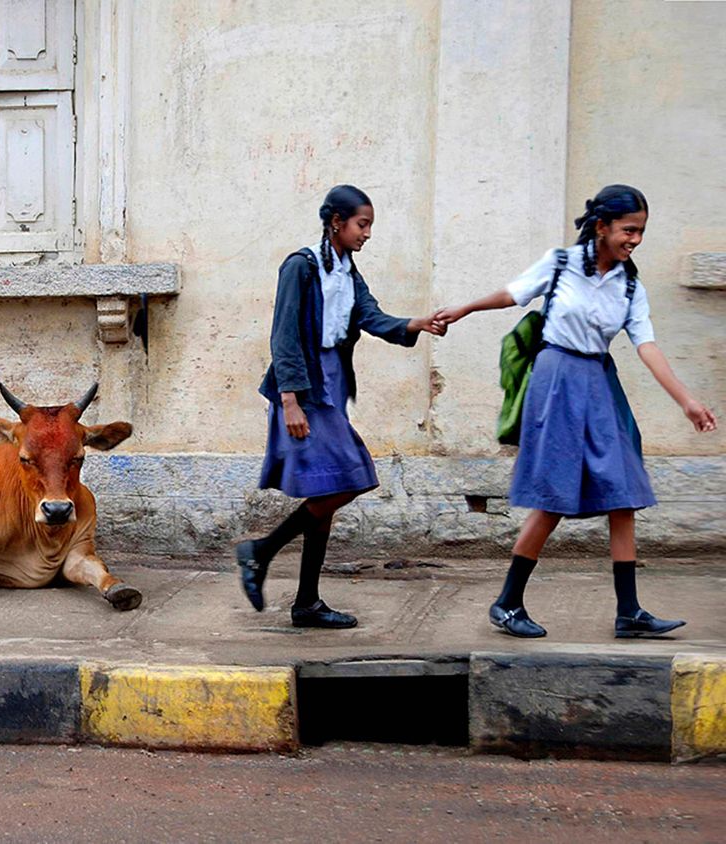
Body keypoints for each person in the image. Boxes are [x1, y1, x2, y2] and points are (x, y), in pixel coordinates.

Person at [436, 184, 717, 638]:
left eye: (641, 232)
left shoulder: (629, 286)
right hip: (556, 378)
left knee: (622, 492)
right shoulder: (562, 263)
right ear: (602, 226)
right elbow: (514, 293)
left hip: (599, 384)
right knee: (554, 494)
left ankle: (629, 612)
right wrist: (464, 308)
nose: (636, 240)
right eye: (629, 230)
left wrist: (686, 400)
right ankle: (507, 603)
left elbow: (646, 346)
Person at [237, 184, 447, 627]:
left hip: (330, 384)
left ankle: (306, 601)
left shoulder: (347, 271)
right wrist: (290, 400)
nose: (367, 234)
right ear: (337, 222)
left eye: (369, 225)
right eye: (362, 224)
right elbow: (285, 334)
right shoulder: (302, 266)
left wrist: (416, 324)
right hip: (305, 388)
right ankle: (261, 551)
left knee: (328, 492)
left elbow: (370, 316)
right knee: (350, 479)